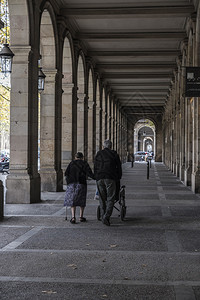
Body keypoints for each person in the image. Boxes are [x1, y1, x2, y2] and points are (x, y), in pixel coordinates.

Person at [94, 139, 122, 226]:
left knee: (102, 199)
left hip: (100, 178)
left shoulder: (98, 154)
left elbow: (95, 166)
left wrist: (96, 177)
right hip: (110, 178)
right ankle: (106, 217)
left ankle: (103, 216)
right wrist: (118, 177)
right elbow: (119, 167)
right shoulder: (114, 154)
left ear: (103, 146)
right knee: (111, 198)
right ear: (111, 146)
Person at [64, 152, 95, 224]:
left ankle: (73, 217)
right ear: (82, 157)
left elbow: (66, 173)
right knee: (82, 199)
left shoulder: (71, 163)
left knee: (72, 200)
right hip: (81, 183)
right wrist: (96, 177)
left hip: (72, 184)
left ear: (75, 157)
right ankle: (81, 217)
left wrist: (68, 182)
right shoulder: (84, 163)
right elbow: (89, 173)